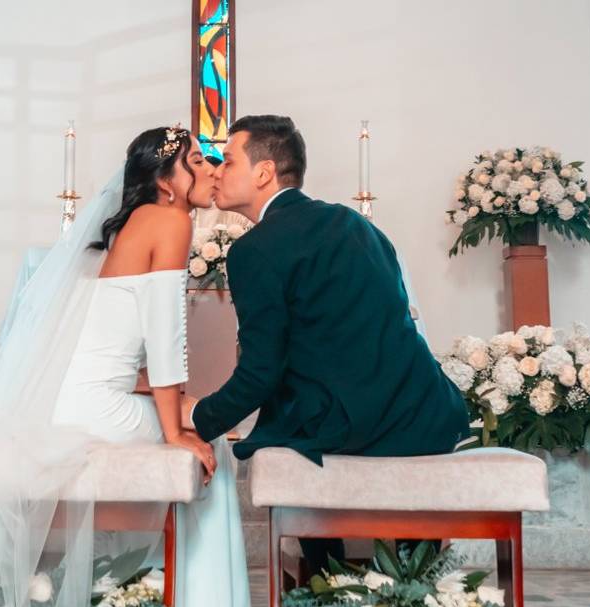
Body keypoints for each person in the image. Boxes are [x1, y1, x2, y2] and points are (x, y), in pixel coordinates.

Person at [0, 126, 251, 607]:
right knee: (211, 433)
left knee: (196, 413)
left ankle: (146, 591)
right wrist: (177, 432)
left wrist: (173, 409)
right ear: (166, 181)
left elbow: (115, 351)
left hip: (71, 400)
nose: (209, 168)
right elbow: (165, 341)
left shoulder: (135, 224)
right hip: (98, 411)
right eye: (196, 160)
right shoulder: (170, 221)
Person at [183, 115, 470, 576]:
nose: (217, 170)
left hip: (355, 427)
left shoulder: (254, 250)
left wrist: (198, 417)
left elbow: (261, 373)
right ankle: (411, 589)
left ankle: (327, 581)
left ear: (264, 172)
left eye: (228, 160)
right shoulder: (359, 225)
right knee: (301, 402)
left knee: (292, 421)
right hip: (427, 414)